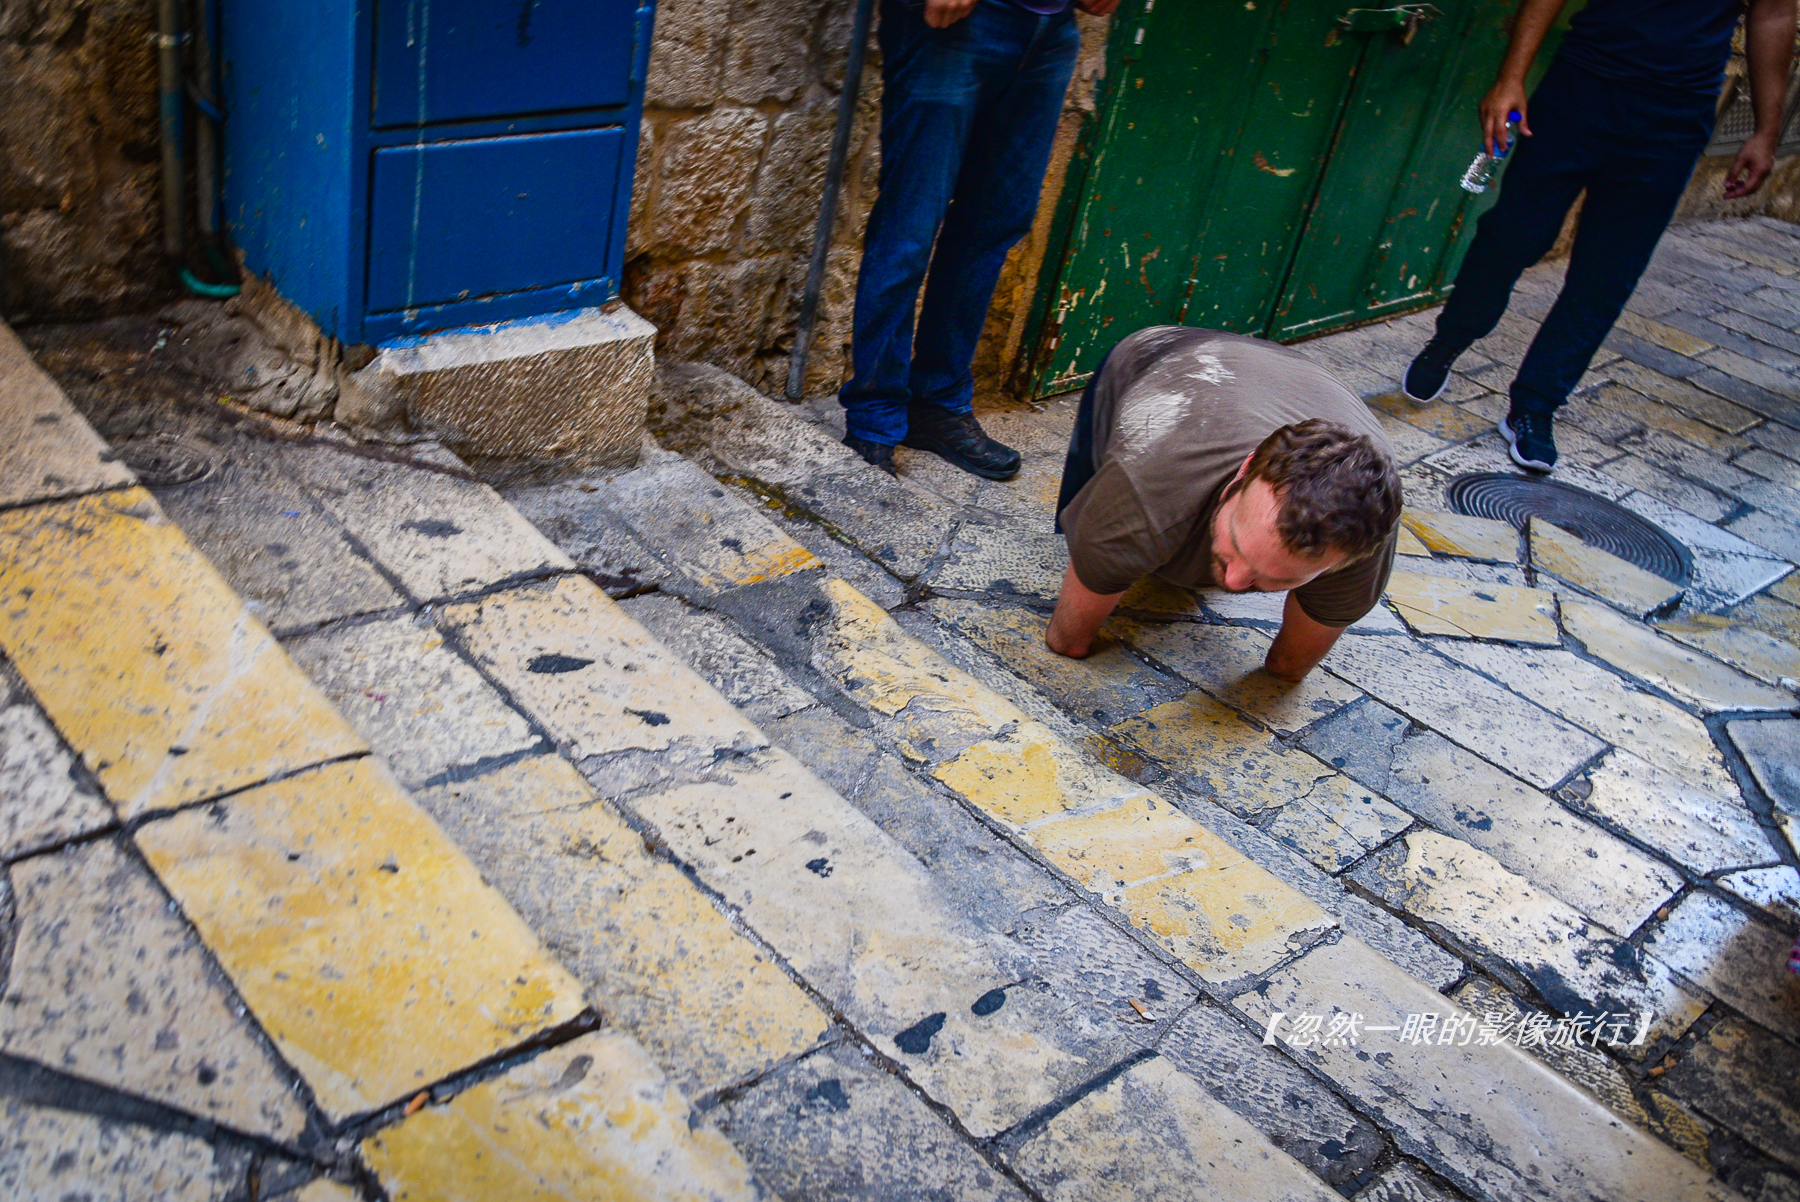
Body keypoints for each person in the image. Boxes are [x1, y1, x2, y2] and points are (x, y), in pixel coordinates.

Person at [1400, 0, 1797, 473]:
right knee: (1512, 236)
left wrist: (1767, 132)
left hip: (1676, 118)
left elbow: (1773, 14)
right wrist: (1511, 77)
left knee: (1608, 274)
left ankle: (1535, 406)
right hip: (1582, 87)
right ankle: (1450, 340)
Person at [838, 0, 1119, 481]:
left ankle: (937, 403)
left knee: (994, 222)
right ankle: (875, 416)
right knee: (911, 221)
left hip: (1051, 26)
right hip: (958, 21)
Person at [1047, 327, 1403, 683]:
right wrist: (1105, 559)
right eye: (1237, 542)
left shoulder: (1368, 536)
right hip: (1158, 356)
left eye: (1275, 578)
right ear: (1245, 470)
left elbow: (1288, 668)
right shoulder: (1153, 477)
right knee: (1105, 538)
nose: (1233, 582)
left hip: (1301, 383)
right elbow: (1066, 641)